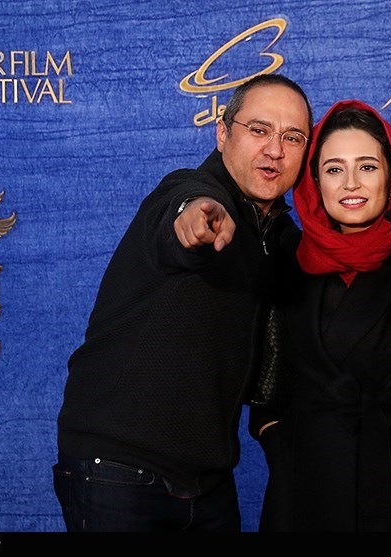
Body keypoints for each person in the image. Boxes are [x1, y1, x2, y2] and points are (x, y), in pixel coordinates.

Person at [52, 73, 313, 531]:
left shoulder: (279, 239)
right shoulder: (191, 191)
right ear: (222, 132)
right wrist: (194, 221)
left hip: (208, 481)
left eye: (292, 137)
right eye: (259, 130)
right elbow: (184, 211)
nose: (275, 149)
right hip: (120, 471)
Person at [250, 100, 391, 532]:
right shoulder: (289, 255)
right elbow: (270, 357)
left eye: (367, 167)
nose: (350, 183)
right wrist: (274, 436)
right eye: (333, 169)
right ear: (314, 180)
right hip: (307, 477)